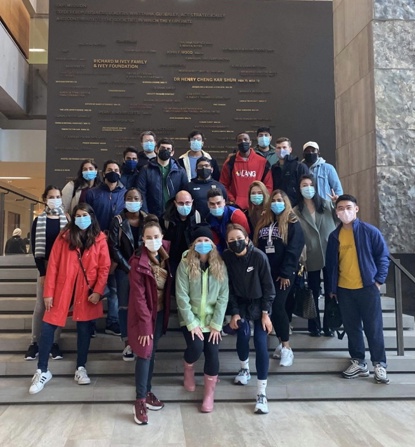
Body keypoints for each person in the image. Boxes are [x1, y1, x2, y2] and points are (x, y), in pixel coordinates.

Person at [28, 203, 110, 394]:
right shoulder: (64, 237)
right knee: (48, 326)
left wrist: (98, 291)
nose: (82, 218)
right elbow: (54, 265)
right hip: (62, 289)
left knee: (84, 328)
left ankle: (81, 367)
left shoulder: (100, 238)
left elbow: (104, 267)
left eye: (85, 215)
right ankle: (42, 370)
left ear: (92, 216)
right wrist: (48, 293)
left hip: (86, 291)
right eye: (78, 215)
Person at [326, 194, 390, 384]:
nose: (344, 211)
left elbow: (383, 257)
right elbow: (331, 265)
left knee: (373, 328)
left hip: (367, 288)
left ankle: (379, 364)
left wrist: (378, 280)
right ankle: (358, 362)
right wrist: (332, 289)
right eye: (340, 208)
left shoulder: (370, 232)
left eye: (348, 207)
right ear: (336, 212)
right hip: (344, 290)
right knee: (352, 328)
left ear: (356, 209)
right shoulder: (334, 236)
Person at [222, 224, 275, 414]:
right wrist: (234, 312)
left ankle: (262, 393)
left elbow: (269, 288)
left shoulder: (259, 256)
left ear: (246, 238)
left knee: (261, 343)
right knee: (243, 335)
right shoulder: (226, 258)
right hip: (240, 304)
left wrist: (266, 313)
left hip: (260, 304)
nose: (236, 242)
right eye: (231, 240)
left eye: (239, 238)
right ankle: (244, 368)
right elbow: (227, 287)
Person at [175, 226, 229, 413]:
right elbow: (181, 296)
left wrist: (216, 324)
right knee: (196, 347)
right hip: (191, 318)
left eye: (207, 241)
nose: (203, 244)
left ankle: (208, 395)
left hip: (212, 320)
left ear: (213, 244)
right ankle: (188, 367)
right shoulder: (184, 264)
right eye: (199, 241)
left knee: (212, 351)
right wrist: (191, 322)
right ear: (193, 245)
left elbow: (223, 296)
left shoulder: (220, 265)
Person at [128, 216, 172, 425]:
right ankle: (139, 401)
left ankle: (147, 392)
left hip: (160, 313)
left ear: (162, 237)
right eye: (148, 237)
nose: (153, 240)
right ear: (142, 239)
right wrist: (145, 327)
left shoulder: (166, 256)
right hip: (145, 316)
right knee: (144, 354)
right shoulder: (138, 263)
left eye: (156, 236)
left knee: (152, 353)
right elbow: (139, 298)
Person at [254, 189, 305, 367]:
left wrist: (286, 272)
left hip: (283, 274)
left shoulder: (292, 222)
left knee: (277, 306)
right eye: (273, 200)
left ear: (286, 203)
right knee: (270, 308)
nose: (276, 203)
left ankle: (287, 347)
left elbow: (294, 249)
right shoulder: (264, 222)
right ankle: (281, 344)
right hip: (266, 274)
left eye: (279, 200)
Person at [25, 186, 68, 361]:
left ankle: (54, 343)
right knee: (41, 306)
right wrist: (42, 272)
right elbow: (36, 249)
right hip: (45, 266)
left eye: (58, 196)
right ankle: (35, 342)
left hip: (63, 268)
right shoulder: (39, 220)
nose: (55, 199)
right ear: (45, 199)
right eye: (52, 196)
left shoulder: (67, 220)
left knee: (58, 306)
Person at [293, 175, 337, 337]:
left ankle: (329, 325)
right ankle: (314, 326)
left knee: (331, 291)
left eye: (311, 185)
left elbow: (340, 221)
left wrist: (337, 203)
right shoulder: (296, 210)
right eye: (304, 185)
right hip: (310, 256)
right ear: (299, 188)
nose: (308, 188)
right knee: (312, 291)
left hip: (329, 253)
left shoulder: (326, 205)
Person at [86, 160, 126, 336]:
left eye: (116, 170)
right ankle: (90, 323)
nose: (113, 172)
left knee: (115, 287)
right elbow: (87, 219)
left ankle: (113, 321)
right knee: (95, 284)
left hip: (117, 247)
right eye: (110, 170)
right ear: (103, 173)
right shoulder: (92, 194)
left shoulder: (126, 194)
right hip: (96, 245)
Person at [108, 188, 147, 361]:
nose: (133, 200)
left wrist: (142, 266)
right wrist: (129, 267)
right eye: (129, 198)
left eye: (136, 198)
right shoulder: (117, 221)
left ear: (141, 200)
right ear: (124, 201)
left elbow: (153, 243)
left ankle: (142, 339)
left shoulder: (149, 219)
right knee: (124, 307)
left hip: (144, 269)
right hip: (124, 270)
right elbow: (114, 247)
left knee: (142, 306)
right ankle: (128, 344)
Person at [219, 132, 273, 210]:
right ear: (237, 143)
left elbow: (268, 186)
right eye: (240, 140)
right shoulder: (230, 162)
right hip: (236, 207)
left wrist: (262, 201)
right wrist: (232, 200)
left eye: (245, 139)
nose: (243, 142)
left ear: (250, 142)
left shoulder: (262, 162)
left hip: (257, 206)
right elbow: (223, 185)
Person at [137, 138, 188, 219]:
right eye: (163, 148)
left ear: (172, 152)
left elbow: (185, 192)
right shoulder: (146, 170)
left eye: (168, 149)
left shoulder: (180, 171)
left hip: (174, 215)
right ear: (156, 149)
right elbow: (141, 192)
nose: (165, 151)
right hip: (152, 214)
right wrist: (146, 214)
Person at [162, 190, 201, 278]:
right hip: (172, 259)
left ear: (192, 202)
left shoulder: (197, 216)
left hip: (191, 259)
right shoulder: (166, 219)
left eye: (187, 203)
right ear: (175, 203)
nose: (184, 206)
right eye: (181, 203)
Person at [206, 189, 250, 254]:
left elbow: (246, 237)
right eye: (212, 204)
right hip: (224, 250)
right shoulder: (209, 219)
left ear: (224, 202)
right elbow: (216, 243)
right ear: (208, 204)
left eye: (218, 203)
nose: (216, 207)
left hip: (241, 248)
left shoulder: (236, 215)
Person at [271, 137, 309, 207]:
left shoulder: (300, 167)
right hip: (280, 206)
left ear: (290, 149)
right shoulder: (274, 168)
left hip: (297, 207)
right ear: (275, 150)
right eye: (278, 148)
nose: (281, 150)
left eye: (284, 147)